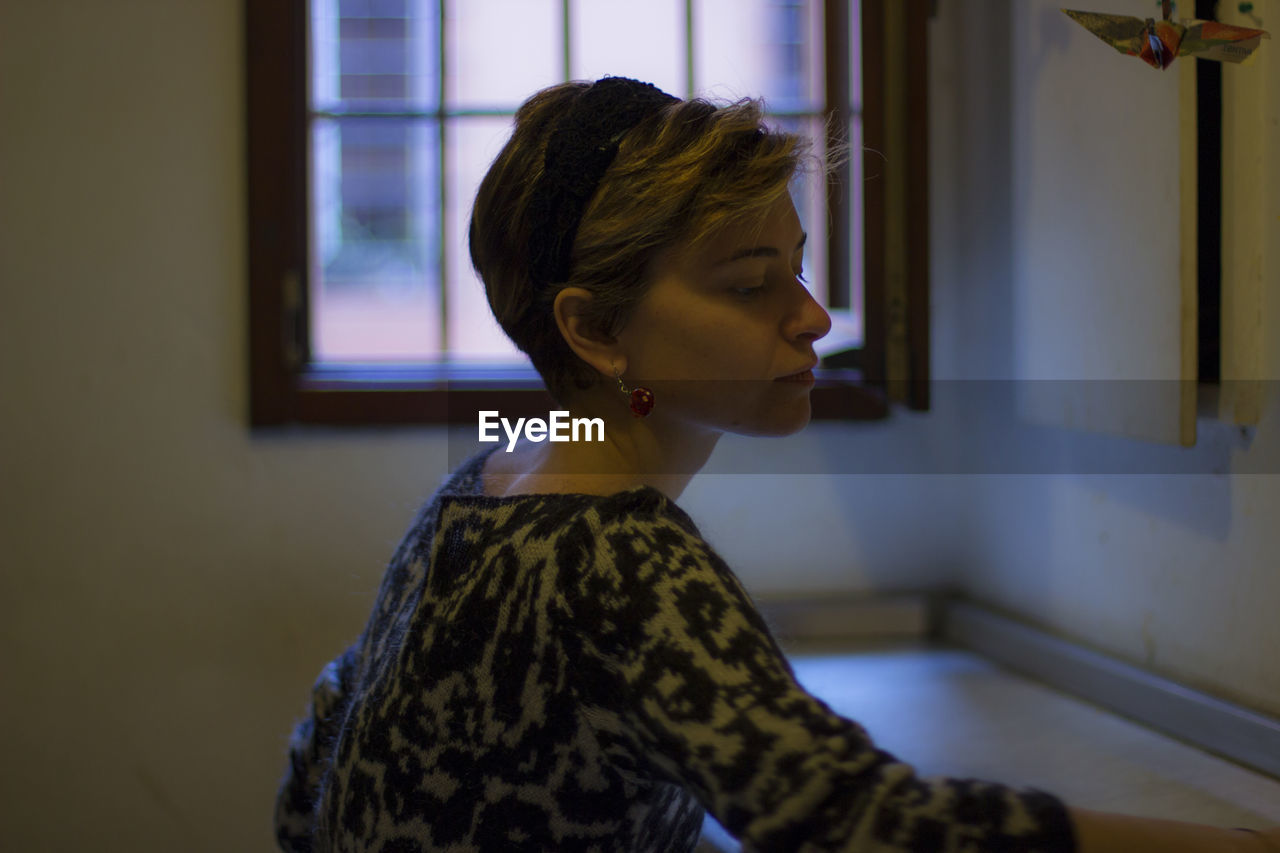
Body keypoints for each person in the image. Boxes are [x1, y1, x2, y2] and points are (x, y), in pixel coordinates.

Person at [274, 76, 1279, 853]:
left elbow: (319, 748)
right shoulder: (617, 559)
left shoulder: (495, 474)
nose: (811, 317)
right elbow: (864, 829)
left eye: (794, 265)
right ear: (593, 328)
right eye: (752, 284)